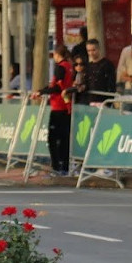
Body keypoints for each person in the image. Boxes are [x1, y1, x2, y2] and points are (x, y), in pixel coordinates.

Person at [41, 45, 74, 175]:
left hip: (59, 107)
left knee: (53, 139)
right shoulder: (69, 66)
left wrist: (41, 92)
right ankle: (64, 166)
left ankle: (57, 166)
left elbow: (57, 87)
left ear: (56, 54)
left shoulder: (60, 67)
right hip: (66, 106)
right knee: (64, 138)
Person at [80, 39, 117, 105]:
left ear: (99, 49)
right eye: (89, 51)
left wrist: (109, 102)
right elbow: (86, 83)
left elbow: (111, 85)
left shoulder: (107, 64)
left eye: (93, 50)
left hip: (103, 102)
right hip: (90, 101)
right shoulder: (88, 66)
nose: (91, 53)